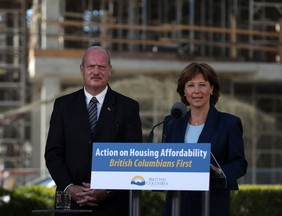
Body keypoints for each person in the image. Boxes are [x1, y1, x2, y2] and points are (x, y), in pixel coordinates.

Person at [44, 46, 143, 216]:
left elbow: (133, 156)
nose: (96, 71)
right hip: (70, 204)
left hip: (113, 205)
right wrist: (69, 187)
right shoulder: (63, 106)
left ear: (110, 70)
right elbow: (53, 154)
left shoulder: (128, 107)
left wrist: (108, 189)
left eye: (102, 66)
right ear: (82, 70)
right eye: (91, 66)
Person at [162, 62, 247, 216]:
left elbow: (239, 164)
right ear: (184, 91)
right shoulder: (171, 123)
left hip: (211, 204)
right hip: (176, 205)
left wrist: (218, 171)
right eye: (190, 85)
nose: (196, 91)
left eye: (202, 85)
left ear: (212, 88)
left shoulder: (229, 123)